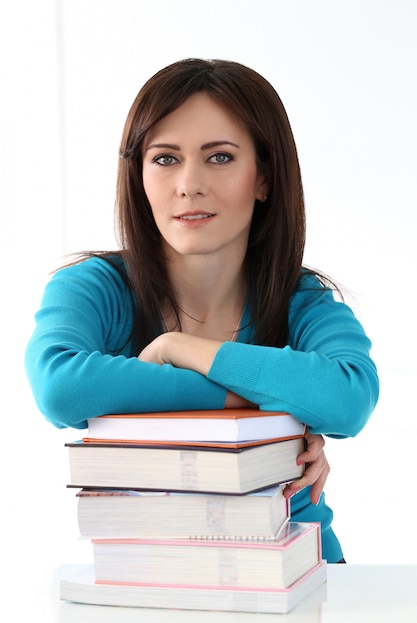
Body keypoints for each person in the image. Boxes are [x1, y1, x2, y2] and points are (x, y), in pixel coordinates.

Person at [24, 58, 379, 563]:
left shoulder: (301, 299)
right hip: (151, 577)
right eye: (165, 159)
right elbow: (61, 388)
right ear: (139, 176)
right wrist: (274, 417)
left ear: (264, 179)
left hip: (301, 574)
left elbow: (348, 399)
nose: (188, 184)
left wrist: (178, 349)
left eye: (219, 158)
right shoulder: (94, 287)